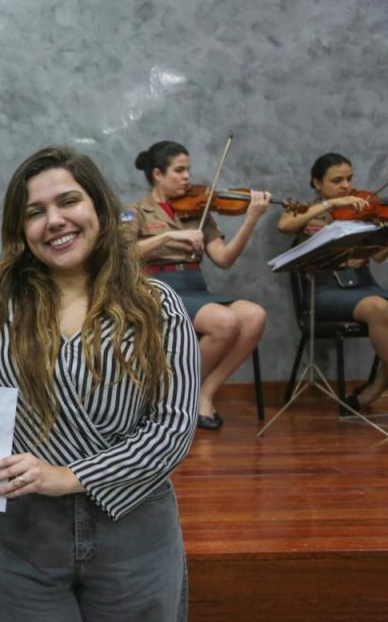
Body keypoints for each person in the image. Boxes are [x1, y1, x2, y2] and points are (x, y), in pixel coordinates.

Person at [0, 146, 198, 622]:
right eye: (35, 211)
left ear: (99, 205)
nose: (54, 220)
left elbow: (173, 427)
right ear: (20, 228)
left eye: (68, 201)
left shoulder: (157, 304)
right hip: (25, 537)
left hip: (133, 531)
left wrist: (70, 476)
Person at [124, 140, 271, 430]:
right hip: (157, 290)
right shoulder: (135, 211)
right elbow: (121, 253)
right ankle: (174, 395)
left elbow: (224, 259)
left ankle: (204, 392)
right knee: (224, 322)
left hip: (194, 288)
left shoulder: (197, 211)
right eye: (179, 170)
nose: (187, 177)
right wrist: (168, 237)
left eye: (187, 170)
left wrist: (250, 221)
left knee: (254, 316)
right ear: (157, 174)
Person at [277, 152, 388, 410]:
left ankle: (374, 389)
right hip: (325, 291)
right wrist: (331, 204)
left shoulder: (362, 209)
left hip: (364, 284)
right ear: (317, 183)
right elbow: (285, 225)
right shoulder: (305, 209)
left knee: (378, 305)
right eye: (337, 180)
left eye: (349, 179)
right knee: (378, 307)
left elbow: (378, 257)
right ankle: (375, 389)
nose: (346, 186)